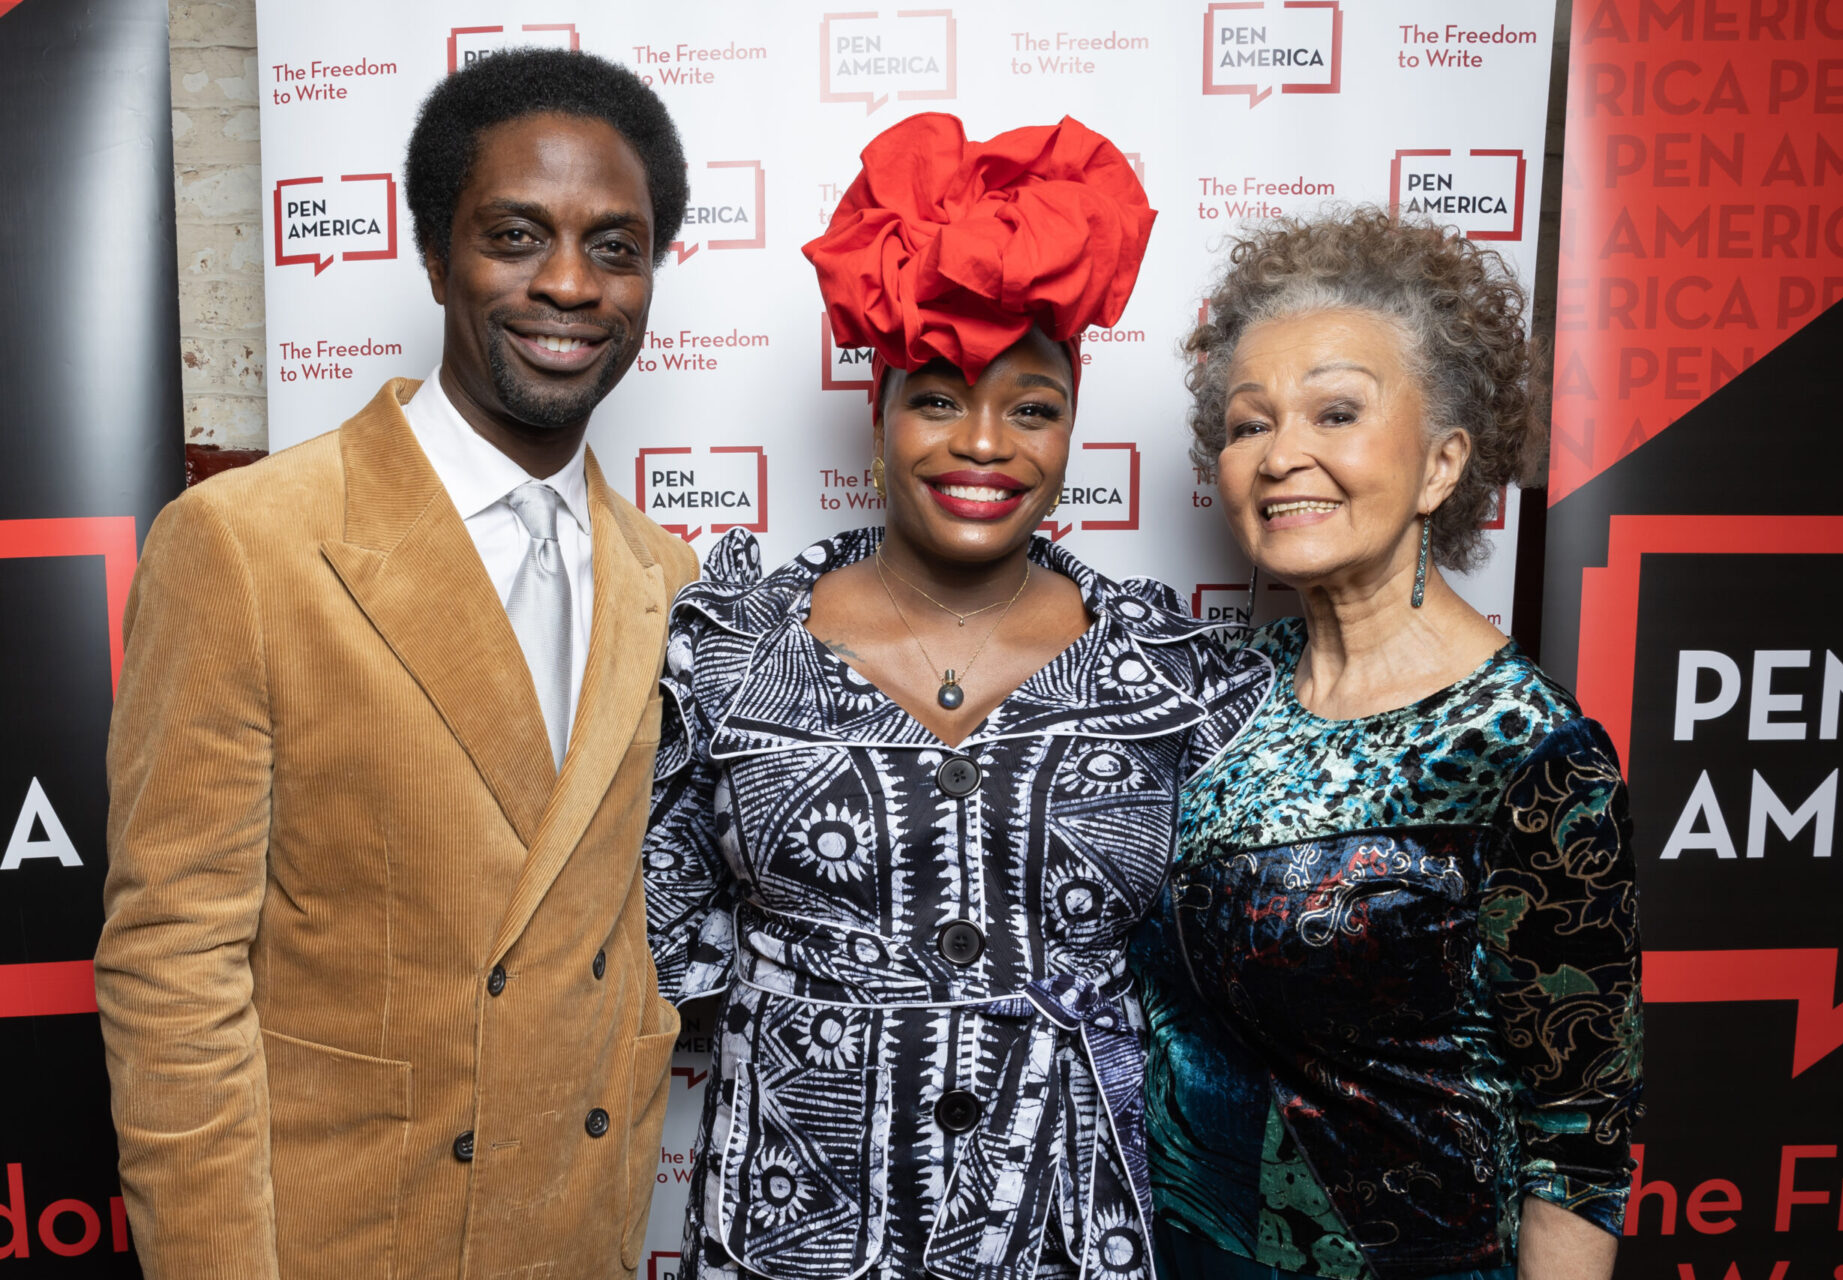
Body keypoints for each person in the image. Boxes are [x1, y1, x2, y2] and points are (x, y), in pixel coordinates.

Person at [95, 50, 697, 1279]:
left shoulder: (668, 575)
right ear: (434, 253)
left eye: (616, 247)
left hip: (576, 1230)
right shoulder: (247, 543)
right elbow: (172, 963)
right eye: (517, 235)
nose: (570, 285)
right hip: (349, 1237)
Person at [639, 112, 1272, 1280]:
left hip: (1076, 1233)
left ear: (1071, 425)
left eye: (1031, 407)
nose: (984, 444)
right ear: (876, 414)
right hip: (794, 1239)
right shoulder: (726, 648)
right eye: (939, 398)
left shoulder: (1183, 680)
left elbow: (1239, 1008)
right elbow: (653, 962)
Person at [1135, 209, 1645, 1280]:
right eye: (1246, 424)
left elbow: (1580, 1136)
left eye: (1336, 411)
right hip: (1185, 1250)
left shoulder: (1529, 751)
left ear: (1442, 462)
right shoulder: (1215, 697)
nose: (1282, 456)